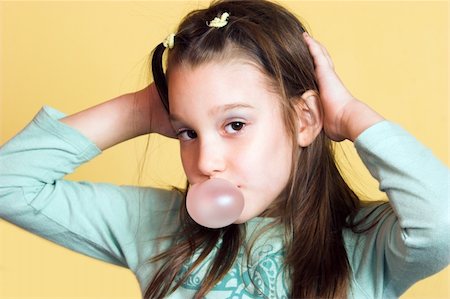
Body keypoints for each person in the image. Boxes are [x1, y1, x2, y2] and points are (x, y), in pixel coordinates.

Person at [0, 0, 448, 298]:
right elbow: (9, 185)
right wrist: (138, 109)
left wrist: (351, 116)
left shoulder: (370, 243)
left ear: (305, 119)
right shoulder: (157, 227)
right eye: (187, 133)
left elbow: (441, 222)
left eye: (234, 124)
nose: (206, 161)